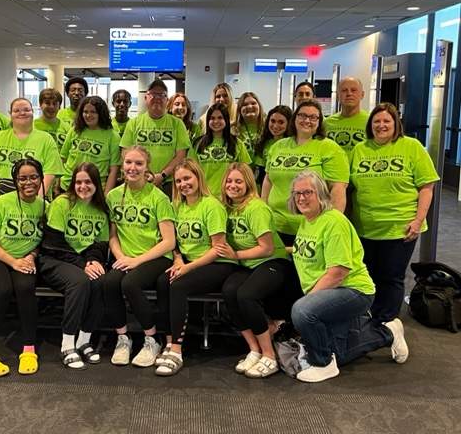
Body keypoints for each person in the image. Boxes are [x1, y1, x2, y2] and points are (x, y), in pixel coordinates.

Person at [288, 170, 408, 383]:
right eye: (297, 193)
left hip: (353, 290)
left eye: (308, 192)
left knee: (302, 311)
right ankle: (388, 332)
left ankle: (323, 364)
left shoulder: (334, 222)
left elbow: (338, 272)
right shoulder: (308, 220)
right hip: (331, 290)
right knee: (341, 355)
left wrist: (309, 302)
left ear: (322, 195)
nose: (301, 198)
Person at [350, 103, 439, 322]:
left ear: (395, 124)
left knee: (391, 277)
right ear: (370, 125)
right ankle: (368, 319)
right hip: (365, 227)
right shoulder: (360, 149)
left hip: (400, 227)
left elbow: (427, 187)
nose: (381, 125)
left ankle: (387, 322)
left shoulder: (412, 146)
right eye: (376, 121)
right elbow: (347, 186)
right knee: (366, 275)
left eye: (386, 121)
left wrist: (419, 220)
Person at [217, 163, 301, 378]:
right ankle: (254, 349)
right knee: (229, 291)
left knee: (246, 295)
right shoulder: (225, 208)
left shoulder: (256, 208)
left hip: (272, 261)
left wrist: (235, 256)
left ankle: (269, 355)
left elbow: (267, 248)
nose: (233, 185)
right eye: (229, 181)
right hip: (246, 264)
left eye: (238, 181)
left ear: (248, 183)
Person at [154, 159, 236, 376]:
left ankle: (177, 351)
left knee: (178, 285)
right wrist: (179, 260)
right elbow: (175, 243)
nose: (183, 184)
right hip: (189, 263)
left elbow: (218, 248)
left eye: (187, 178)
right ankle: (169, 342)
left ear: (198, 178)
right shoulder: (177, 206)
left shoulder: (212, 205)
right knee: (162, 281)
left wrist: (187, 269)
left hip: (217, 264)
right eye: (179, 180)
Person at [102, 146, 176, 367]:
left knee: (130, 284)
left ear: (147, 168)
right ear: (122, 165)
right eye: (128, 163)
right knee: (109, 283)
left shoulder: (158, 197)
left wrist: (136, 261)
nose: (132, 168)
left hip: (156, 257)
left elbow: (169, 241)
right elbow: (112, 236)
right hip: (127, 256)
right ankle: (123, 338)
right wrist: (121, 256)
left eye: (139, 164)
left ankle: (152, 339)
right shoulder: (113, 196)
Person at [0, 159, 45, 377]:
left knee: (26, 288)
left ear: (41, 179)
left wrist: (31, 256)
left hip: (24, 260)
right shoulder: (1, 203)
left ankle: (29, 349)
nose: (28, 182)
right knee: (1, 291)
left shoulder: (45, 207)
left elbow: (45, 241)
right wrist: (12, 261)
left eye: (33, 177)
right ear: (15, 181)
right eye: (22, 178)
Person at [38, 163, 108, 369]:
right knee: (79, 282)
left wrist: (94, 260)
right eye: (78, 182)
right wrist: (83, 264)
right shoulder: (62, 203)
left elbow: (99, 244)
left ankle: (84, 340)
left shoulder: (101, 210)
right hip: (53, 259)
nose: (82, 186)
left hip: (80, 260)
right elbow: (54, 243)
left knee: (100, 281)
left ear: (96, 184)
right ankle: (67, 343)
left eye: (88, 182)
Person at [261, 99, 349, 246]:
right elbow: (268, 180)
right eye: (302, 115)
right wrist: (262, 212)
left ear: (320, 121)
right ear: (294, 118)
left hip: (311, 227)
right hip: (276, 225)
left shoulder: (329, 148)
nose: (307, 120)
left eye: (313, 117)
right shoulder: (278, 146)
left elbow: (338, 188)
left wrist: (332, 225)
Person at [0, 97, 63, 196]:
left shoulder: (46, 139)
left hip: (35, 197)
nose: (22, 113)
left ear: (33, 112)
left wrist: (35, 200)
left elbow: (50, 173)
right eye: (16, 110)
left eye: (26, 110)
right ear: (10, 114)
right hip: (0, 198)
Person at [120, 79, 191, 194]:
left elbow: (181, 155)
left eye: (162, 95)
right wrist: (142, 173)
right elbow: (125, 153)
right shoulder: (134, 123)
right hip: (140, 180)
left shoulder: (177, 124)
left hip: (169, 183)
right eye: (153, 95)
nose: (157, 98)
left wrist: (162, 175)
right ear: (146, 98)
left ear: (167, 101)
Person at [60, 96, 120, 195]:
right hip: (68, 185)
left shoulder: (112, 136)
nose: (88, 115)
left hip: (95, 189)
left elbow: (113, 170)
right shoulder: (75, 130)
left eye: (93, 112)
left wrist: (106, 195)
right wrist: (57, 183)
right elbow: (63, 158)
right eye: (85, 112)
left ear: (101, 113)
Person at [189, 103, 251, 198]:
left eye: (220, 118)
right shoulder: (197, 143)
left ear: (226, 120)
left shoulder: (237, 143)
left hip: (230, 196)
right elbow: (191, 170)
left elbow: (246, 172)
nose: (216, 121)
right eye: (212, 118)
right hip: (204, 196)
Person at [324, 77, 368, 158]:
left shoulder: (371, 122)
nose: (349, 94)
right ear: (337, 96)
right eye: (344, 90)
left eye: (353, 90)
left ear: (362, 95)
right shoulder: (327, 123)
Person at [253, 105, 292, 185]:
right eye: (273, 121)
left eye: (281, 122)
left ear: (289, 124)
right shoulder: (262, 143)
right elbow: (260, 173)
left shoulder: (294, 144)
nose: (275, 126)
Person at [234, 91, 264, 159]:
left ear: (259, 106)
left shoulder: (269, 127)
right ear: (239, 109)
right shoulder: (233, 130)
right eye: (245, 104)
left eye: (253, 103)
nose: (250, 107)